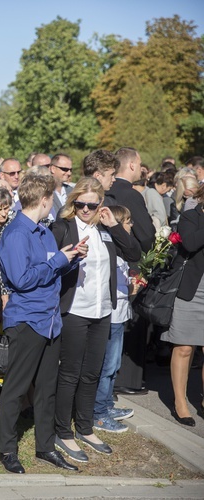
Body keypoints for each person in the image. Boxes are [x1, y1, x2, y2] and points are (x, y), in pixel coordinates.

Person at [0, 171, 83, 474]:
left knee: (47, 388)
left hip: (50, 320)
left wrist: (70, 258)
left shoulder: (44, 231)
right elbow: (21, 280)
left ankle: (45, 446)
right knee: (17, 388)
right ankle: (7, 448)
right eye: (52, 199)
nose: (53, 203)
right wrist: (59, 260)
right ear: (44, 200)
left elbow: (49, 272)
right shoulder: (17, 233)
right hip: (27, 321)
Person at [51, 178, 141, 461]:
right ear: (73, 202)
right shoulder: (63, 228)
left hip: (103, 311)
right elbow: (50, 266)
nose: (86, 209)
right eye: (81, 204)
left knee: (92, 373)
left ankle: (86, 427)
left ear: (100, 204)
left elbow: (134, 253)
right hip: (75, 309)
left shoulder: (106, 230)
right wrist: (71, 257)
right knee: (70, 373)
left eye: (92, 204)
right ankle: (63, 432)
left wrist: (114, 224)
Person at [106, 148, 156, 396]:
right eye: (139, 162)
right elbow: (146, 235)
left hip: (109, 265)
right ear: (132, 166)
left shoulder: (108, 190)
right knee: (131, 325)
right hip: (131, 264)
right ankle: (127, 379)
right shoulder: (131, 195)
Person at [161, 184, 204, 427]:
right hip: (193, 289)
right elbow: (190, 243)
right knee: (184, 348)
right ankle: (180, 403)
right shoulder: (191, 216)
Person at [93, 205, 137, 434]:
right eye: (127, 221)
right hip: (110, 315)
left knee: (114, 365)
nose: (131, 226)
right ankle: (98, 411)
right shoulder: (109, 251)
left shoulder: (122, 252)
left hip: (120, 314)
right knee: (106, 365)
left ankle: (107, 404)